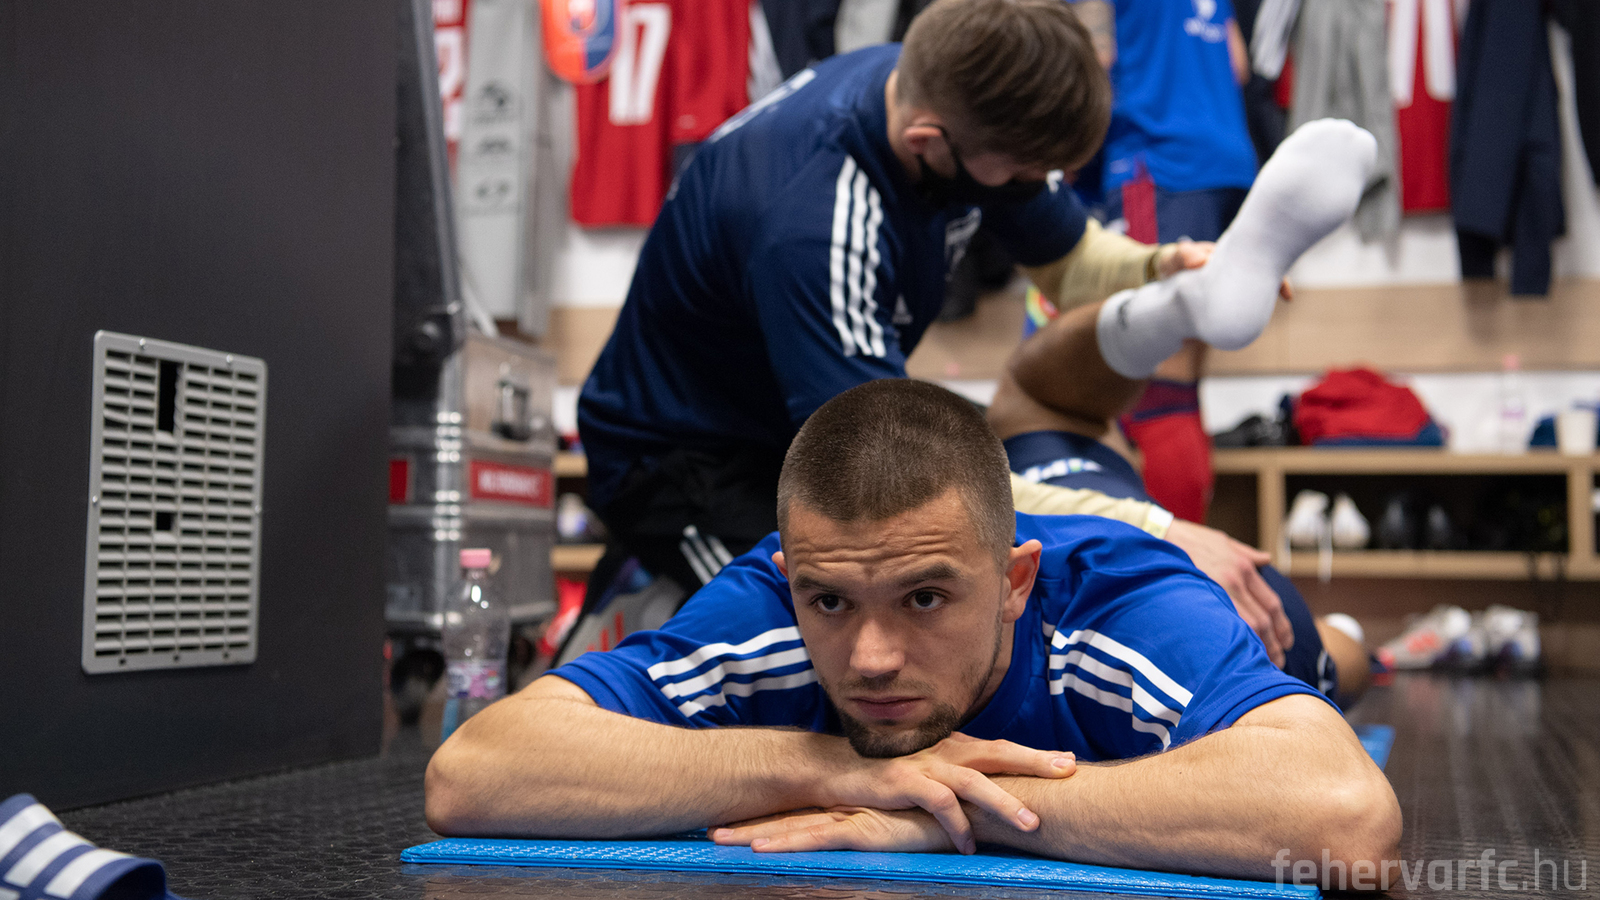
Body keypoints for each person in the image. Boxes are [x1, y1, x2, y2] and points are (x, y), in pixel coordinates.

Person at [425, 379, 1400, 883]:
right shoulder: (771, 598)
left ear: (1014, 583)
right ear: (791, 578)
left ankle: (1361, 633)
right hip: (997, 498)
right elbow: (472, 774)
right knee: (1040, 398)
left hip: (1221, 589)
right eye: (830, 604)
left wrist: (955, 808)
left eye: (924, 599)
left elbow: (1344, 818)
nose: (872, 658)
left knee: (1332, 663)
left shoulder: (1127, 607)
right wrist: (834, 768)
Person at [575, 0, 1220, 603]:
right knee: (827, 619)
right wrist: (1149, 530)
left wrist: (1162, 268)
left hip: (801, 411)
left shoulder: (949, 89)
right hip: (683, 460)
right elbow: (882, 463)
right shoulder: (816, 228)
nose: (1030, 189)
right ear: (926, 142)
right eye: (1018, 176)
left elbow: (1068, 259)